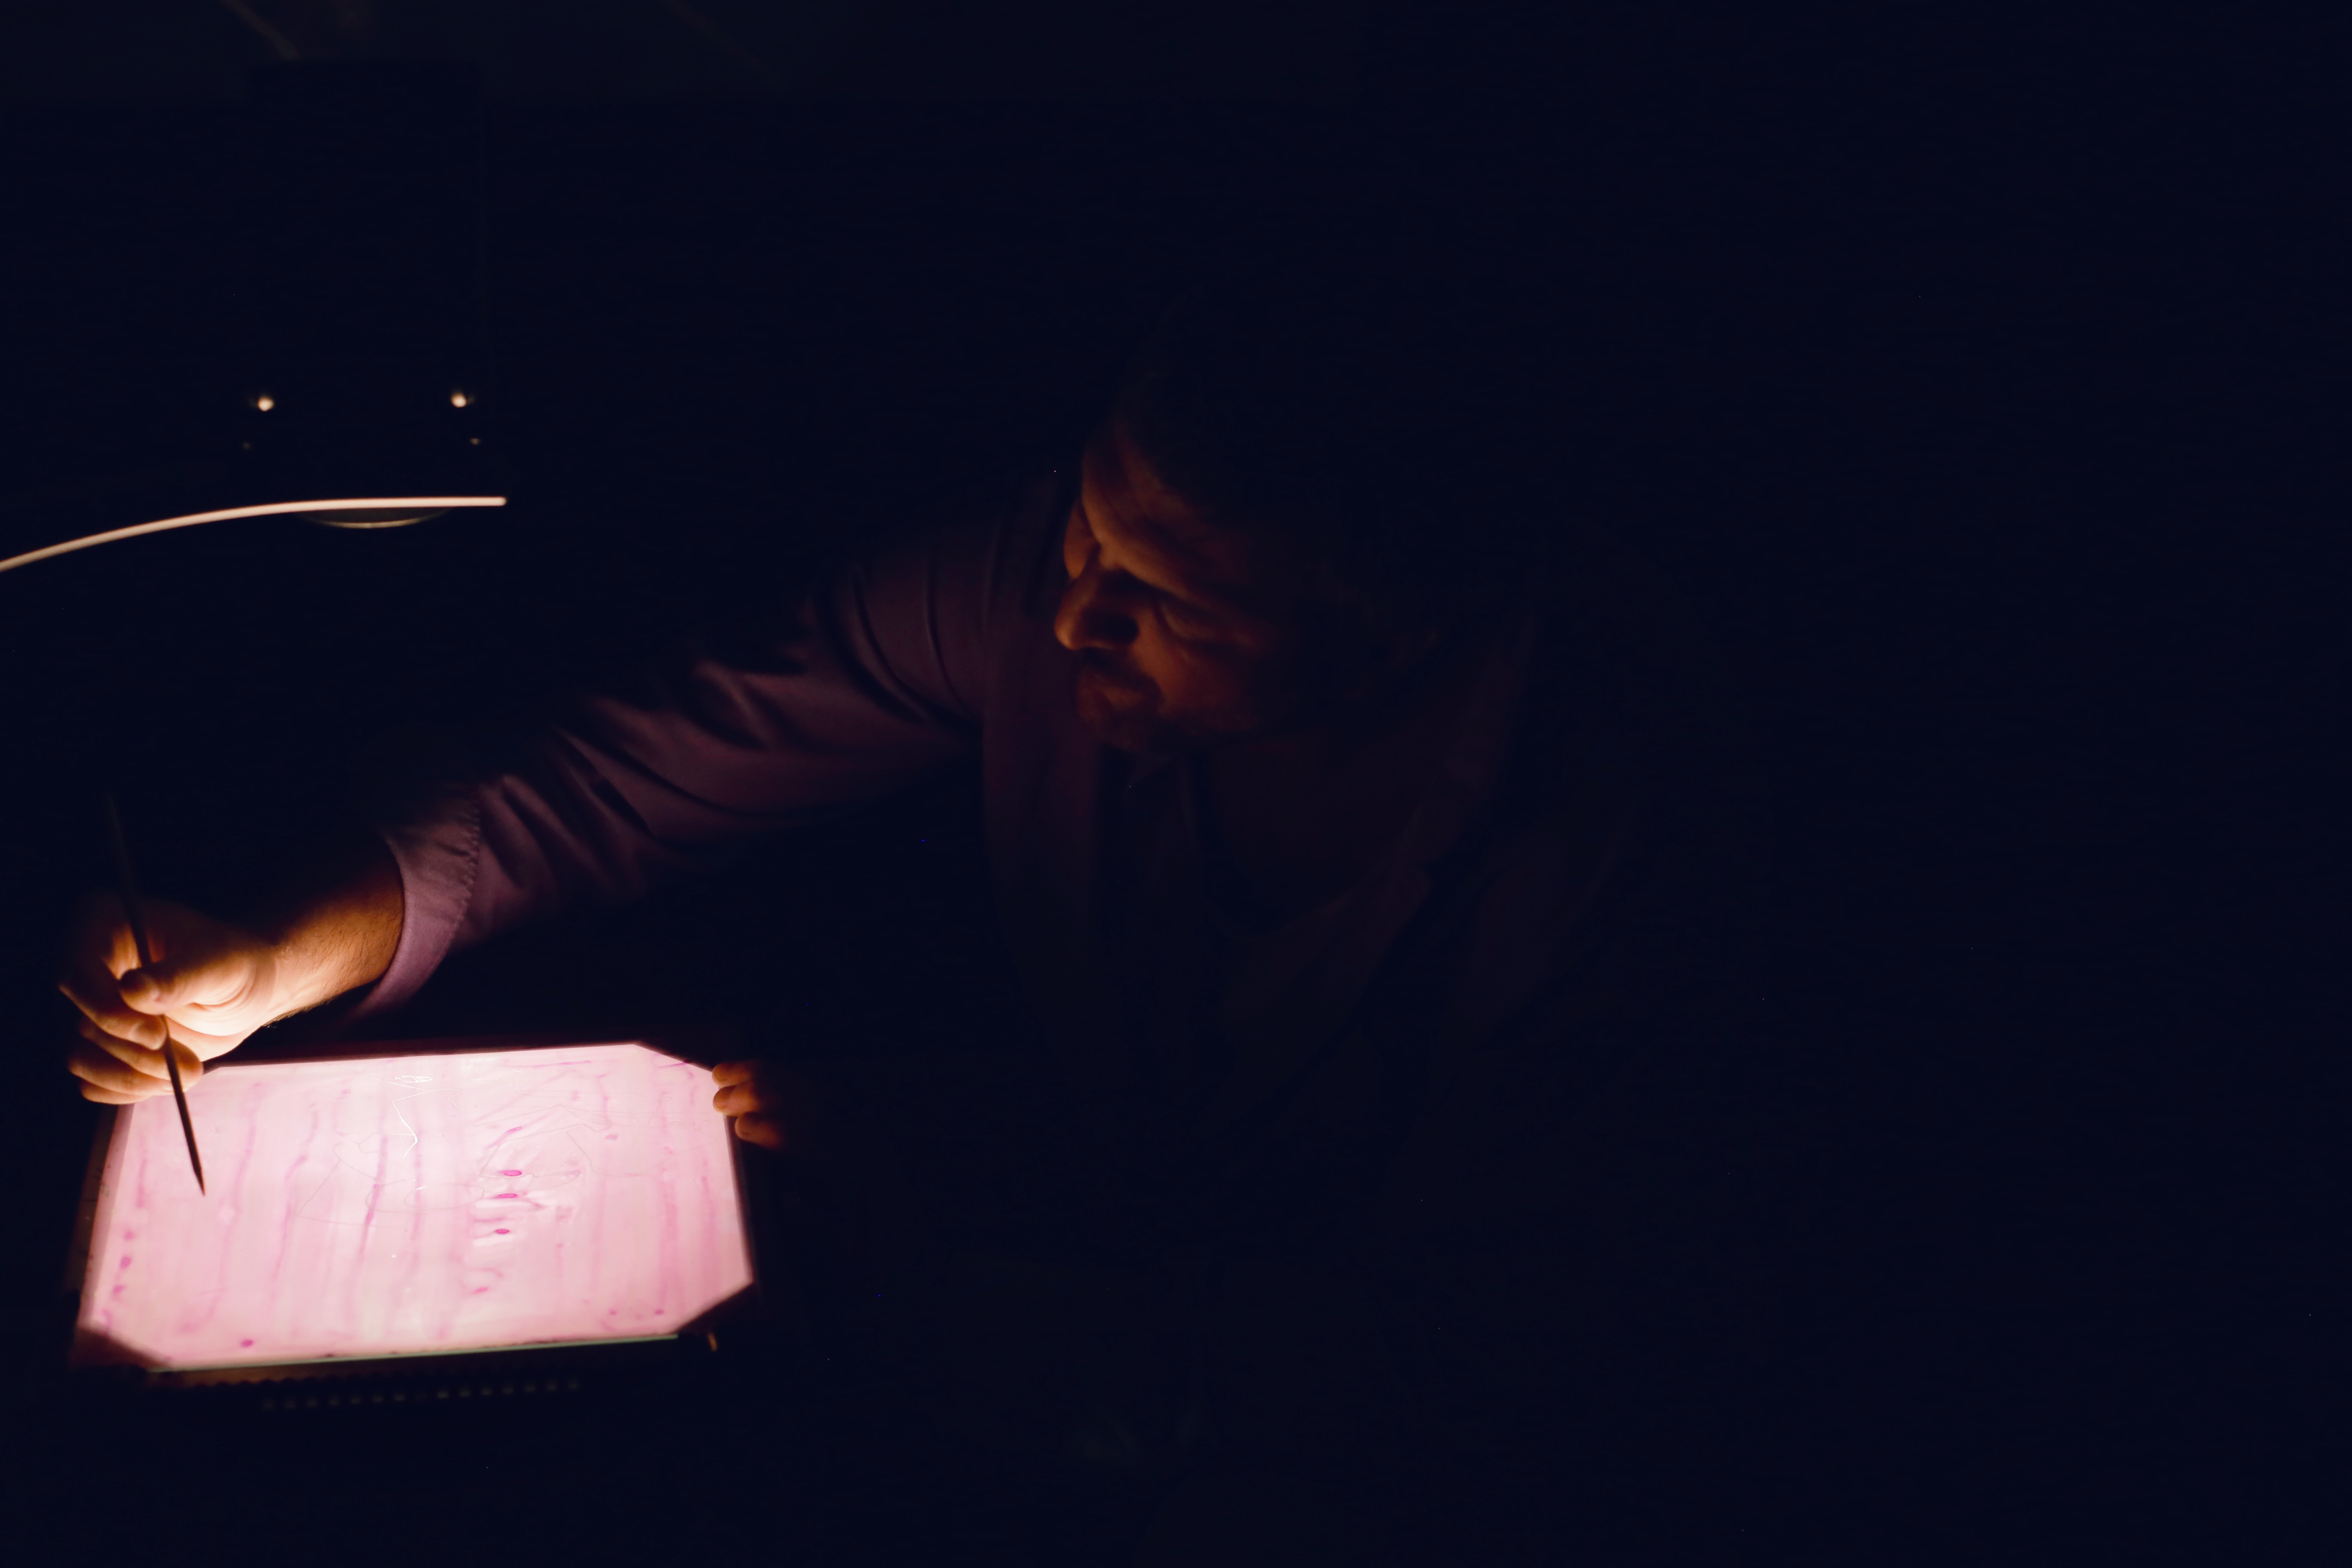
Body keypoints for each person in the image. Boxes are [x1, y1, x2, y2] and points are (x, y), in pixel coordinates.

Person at [57, 242, 1774, 1561]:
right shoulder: (1043, 575)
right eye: (1087, 531)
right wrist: (277, 952)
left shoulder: (1630, 834)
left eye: (1169, 602)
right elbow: (609, 779)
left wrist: (951, 1279)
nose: (1076, 615)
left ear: (1401, 639)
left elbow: (1493, 1365)